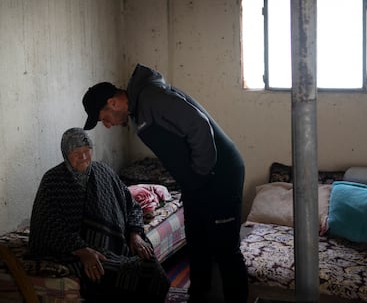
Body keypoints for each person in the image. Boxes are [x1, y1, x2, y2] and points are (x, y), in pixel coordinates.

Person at [82, 63, 248, 303]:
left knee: (225, 249)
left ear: (114, 102)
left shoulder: (152, 98)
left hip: (220, 175)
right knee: (197, 244)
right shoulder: (140, 109)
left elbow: (198, 125)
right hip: (197, 182)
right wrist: (192, 182)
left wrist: (200, 174)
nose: (107, 124)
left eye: (104, 118)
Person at [28, 127, 170, 303]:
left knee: (150, 265)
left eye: (87, 151)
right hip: (72, 250)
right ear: (65, 154)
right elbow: (46, 226)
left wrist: (135, 234)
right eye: (76, 152)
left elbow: (131, 205)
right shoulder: (52, 181)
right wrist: (83, 251)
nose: (83, 157)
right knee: (129, 275)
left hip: (114, 243)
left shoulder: (104, 172)